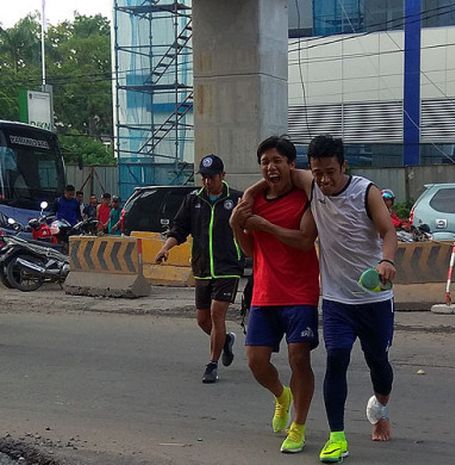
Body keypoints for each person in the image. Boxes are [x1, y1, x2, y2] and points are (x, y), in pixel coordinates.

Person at [244, 135, 397, 463]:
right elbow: (274, 172)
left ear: (344, 166)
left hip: (373, 299)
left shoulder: (365, 192)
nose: (325, 179)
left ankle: (380, 407)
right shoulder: (310, 184)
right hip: (337, 299)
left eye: (331, 171)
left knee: (378, 363)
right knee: (336, 359)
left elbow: (388, 232)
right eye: (318, 172)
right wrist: (247, 195)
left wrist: (387, 261)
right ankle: (337, 437)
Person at [230, 135, 320, 454]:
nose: (271, 167)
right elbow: (251, 249)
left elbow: (304, 240)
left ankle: (299, 426)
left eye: (277, 161)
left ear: (291, 165)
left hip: (300, 292)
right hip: (264, 292)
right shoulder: (252, 202)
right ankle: (282, 396)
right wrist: (235, 226)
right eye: (265, 162)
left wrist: (262, 224)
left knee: (299, 357)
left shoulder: (303, 197)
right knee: (256, 362)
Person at [155, 154, 244, 384]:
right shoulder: (193, 199)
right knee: (203, 320)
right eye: (203, 177)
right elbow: (179, 229)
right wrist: (166, 248)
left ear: (222, 176)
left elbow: (251, 229)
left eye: (211, 177)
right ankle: (225, 342)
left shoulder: (237, 199)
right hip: (203, 267)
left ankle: (212, 365)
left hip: (228, 267)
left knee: (217, 314)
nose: (207, 182)